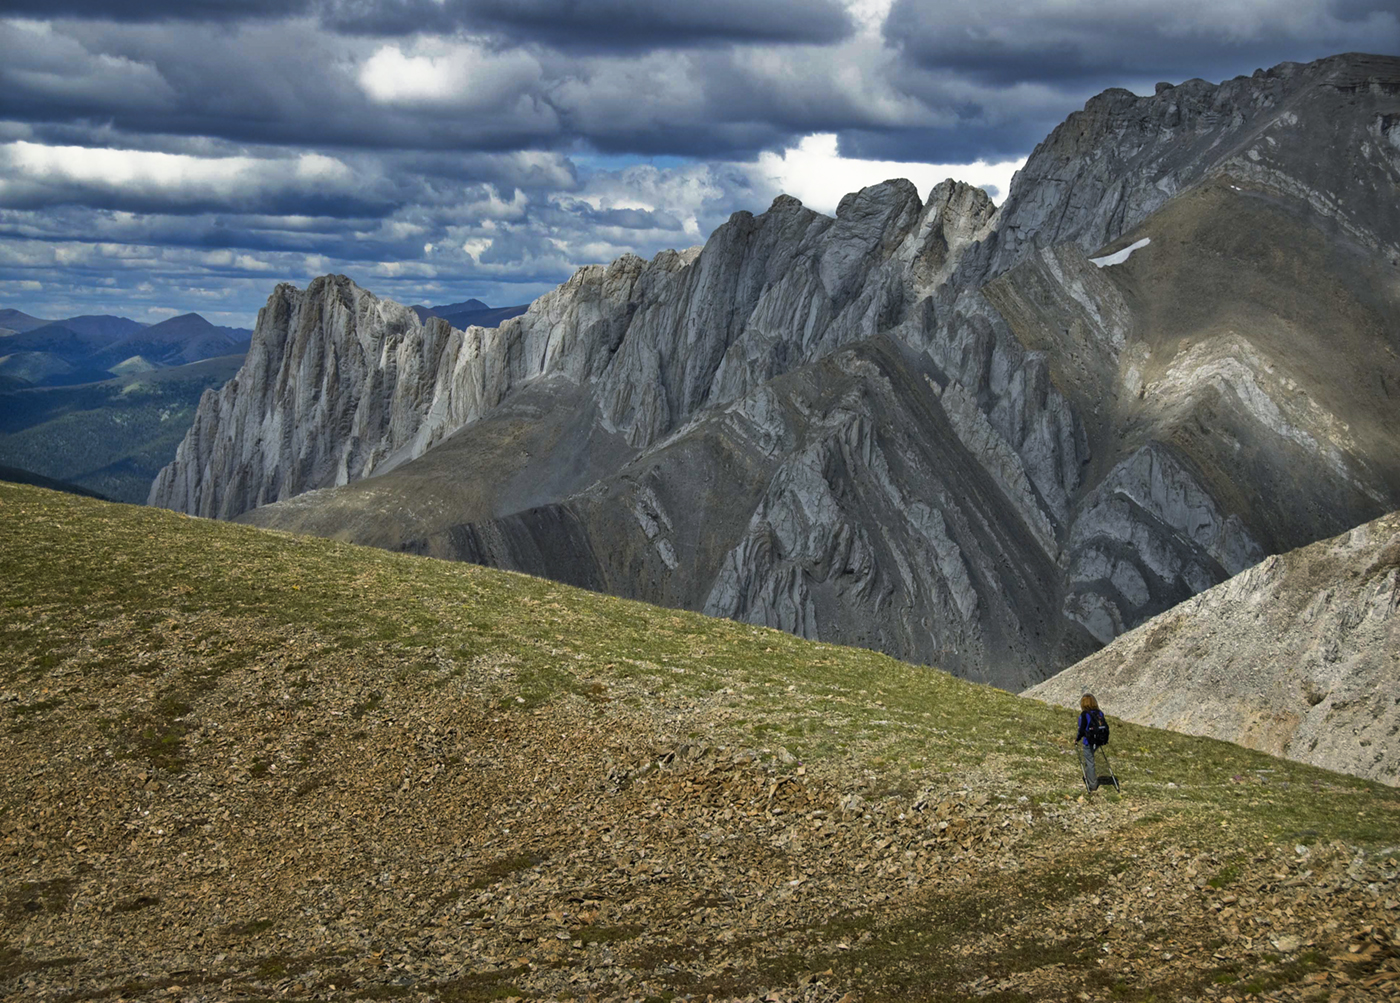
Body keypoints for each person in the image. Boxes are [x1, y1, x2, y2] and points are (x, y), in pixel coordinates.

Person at [1077, 692, 1104, 791]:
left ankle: (1092, 784)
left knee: (1089, 761)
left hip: (1088, 741)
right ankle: (1090, 777)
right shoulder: (1099, 713)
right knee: (1090, 759)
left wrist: (1077, 739)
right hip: (1098, 740)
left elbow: (1081, 729)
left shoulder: (1084, 715)